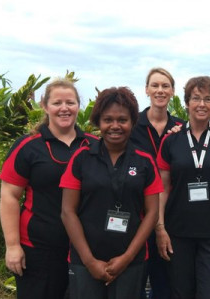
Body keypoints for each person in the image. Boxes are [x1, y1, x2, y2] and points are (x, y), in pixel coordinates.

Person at [0, 78, 98, 298]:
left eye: (70, 103)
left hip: (85, 249)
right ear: (45, 106)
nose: (64, 108)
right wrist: (12, 246)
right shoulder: (28, 146)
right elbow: (9, 196)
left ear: (78, 106)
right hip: (39, 247)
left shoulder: (93, 145)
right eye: (57, 103)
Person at [60, 86, 162, 298]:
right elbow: (67, 212)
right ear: (98, 122)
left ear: (132, 122)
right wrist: (90, 261)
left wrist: (126, 258)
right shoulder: (81, 158)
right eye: (108, 120)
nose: (115, 126)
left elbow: (152, 213)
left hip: (131, 261)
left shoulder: (145, 161)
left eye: (122, 120)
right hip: (85, 260)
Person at [156, 76, 210, 299]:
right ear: (186, 103)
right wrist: (160, 227)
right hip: (178, 232)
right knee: (180, 293)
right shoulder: (171, 141)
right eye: (195, 98)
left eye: (208, 99)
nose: (201, 104)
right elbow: (163, 188)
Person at [130, 67, 183, 299]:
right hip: (137, 212)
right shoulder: (131, 127)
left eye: (165, 86)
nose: (160, 90)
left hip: (171, 213)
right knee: (136, 277)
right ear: (146, 90)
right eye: (155, 85)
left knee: (166, 279)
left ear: (172, 91)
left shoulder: (182, 128)